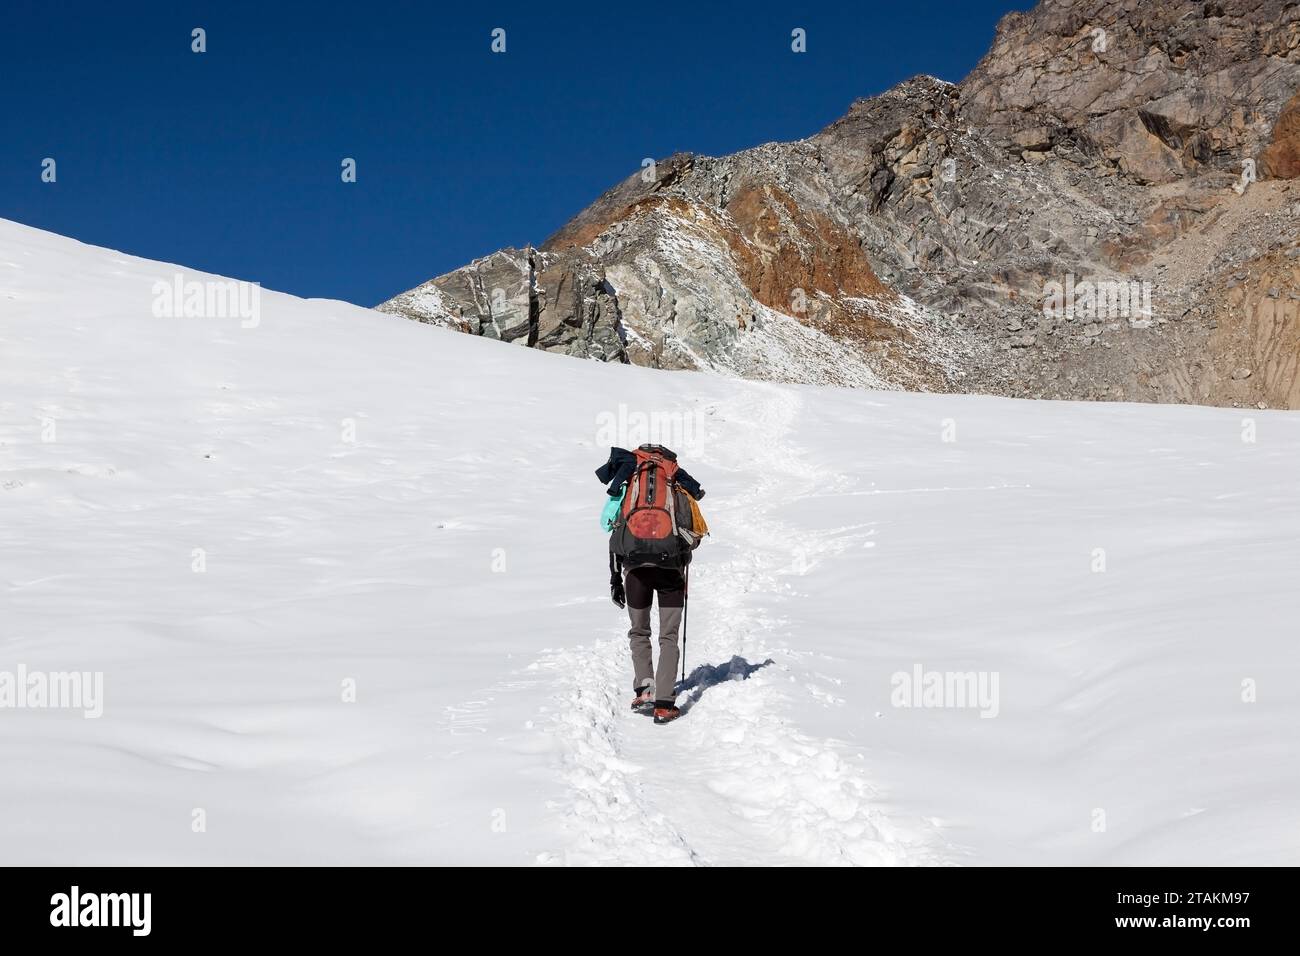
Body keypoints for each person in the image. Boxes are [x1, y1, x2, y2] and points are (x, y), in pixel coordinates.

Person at [595, 445, 706, 724]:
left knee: (639, 631)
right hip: (670, 569)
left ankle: (645, 690)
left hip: (635, 570)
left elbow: (606, 524)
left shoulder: (629, 476)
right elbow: (695, 532)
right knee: (668, 636)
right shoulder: (677, 480)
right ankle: (665, 703)